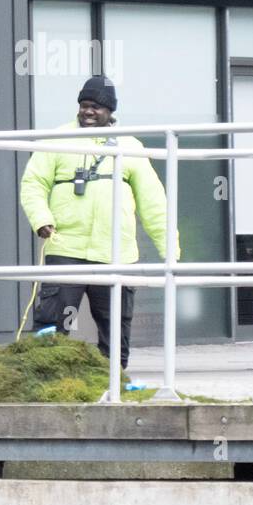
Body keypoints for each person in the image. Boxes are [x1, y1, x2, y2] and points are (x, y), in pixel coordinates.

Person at [20, 75, 174, 371]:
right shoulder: (58, 139)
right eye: (83, 105)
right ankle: (44, 377)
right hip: (66, 248)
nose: (87, 111)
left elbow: (155, 204)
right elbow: (34, 183)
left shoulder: (130, 145)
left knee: (114, 322)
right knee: (55, 319)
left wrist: (170, 252)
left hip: (116, 253)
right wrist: (41, 219)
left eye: (95, 107)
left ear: (110, 112)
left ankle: (114, 382)